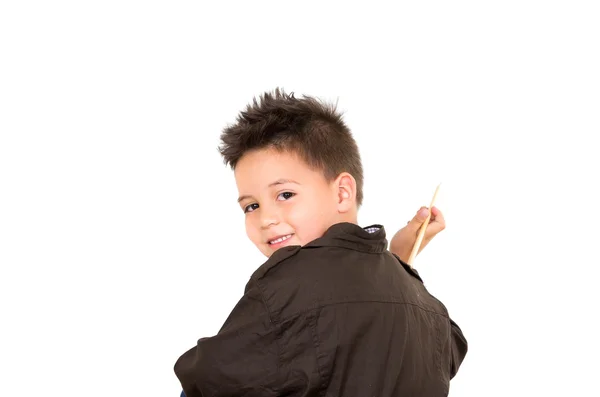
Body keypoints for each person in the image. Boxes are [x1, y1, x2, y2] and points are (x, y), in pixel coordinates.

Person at [174, 89, 467, 396]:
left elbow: (207, 381)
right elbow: (450, 346)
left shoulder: (284, 286)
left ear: (342, 192)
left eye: (285, 195)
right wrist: (399, 266)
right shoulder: (426, 307)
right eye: (251, 206)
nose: (265, 219)